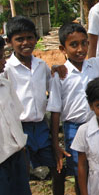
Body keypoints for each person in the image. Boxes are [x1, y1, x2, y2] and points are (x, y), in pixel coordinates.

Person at [46, 22, 99, 194]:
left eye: (84, 43)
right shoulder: (60, 75)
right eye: (74, 44)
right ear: (63, 49)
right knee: (80, 171)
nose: (80, 49)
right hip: (74, 129)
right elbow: (55, 110)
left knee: (97, 167)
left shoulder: (95, 65)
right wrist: (55, 143)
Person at [3, 16, 64, 194]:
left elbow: (50, 88)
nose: (25, 43)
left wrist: (57, 70)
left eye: (29, 37)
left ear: (36, 39)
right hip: (19, 128)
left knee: (57, 166)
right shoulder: (7, 69)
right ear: (9, 42)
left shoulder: (41, 65)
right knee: (22, 173)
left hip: (41, 127)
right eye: (19, 39)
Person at [0, 35, 31, 195]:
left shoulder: (5, 85)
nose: (4, 61)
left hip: (16, 156)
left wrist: (22, 150)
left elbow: (16, 119)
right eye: (0, 57)